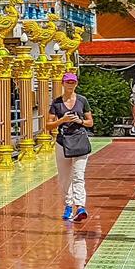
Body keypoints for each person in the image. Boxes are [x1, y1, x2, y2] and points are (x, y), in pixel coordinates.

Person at [46, 71, 95, 222]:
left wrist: (79, 121)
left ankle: (80, 206)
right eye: (68, 82)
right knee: (65, 178)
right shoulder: (57, 103)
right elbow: (48, 125)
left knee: (78, 176)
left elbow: (90, 122)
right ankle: (68, 205)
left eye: (73, 82)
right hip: (63, 142)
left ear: (76, 84)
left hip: (79, 141)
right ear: (63, 83)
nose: (70, 85)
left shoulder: (82, 100)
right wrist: (62, 120)